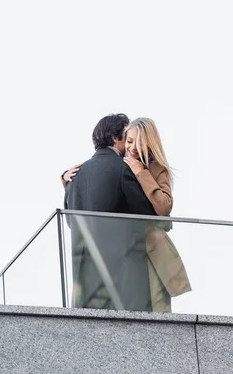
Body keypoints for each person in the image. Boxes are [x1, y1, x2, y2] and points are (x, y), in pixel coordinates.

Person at [63, 117, 191, 312]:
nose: (130, 146)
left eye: (136, 142)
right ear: (117, 139)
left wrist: (141, 173)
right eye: (128, 140)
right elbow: (145, 213)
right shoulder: (121, 168)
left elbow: (161, 212)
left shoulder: (153, 168)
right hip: (125, 262)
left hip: (141, 256)